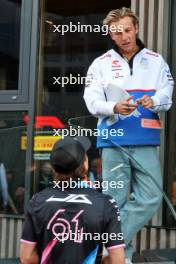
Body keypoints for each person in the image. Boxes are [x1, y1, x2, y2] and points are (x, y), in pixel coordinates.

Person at [83, 7, 174, 263]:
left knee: (152, 196)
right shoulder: (100, 64)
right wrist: (113, 107)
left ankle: (110, 248)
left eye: (127, 30)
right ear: (111, 35)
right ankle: (122, 258)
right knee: (114, 202)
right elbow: (91, 101)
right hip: (113, 141)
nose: (123, 36)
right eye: (116, 32)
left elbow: (167, 97)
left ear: (136, 28)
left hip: (145, 140)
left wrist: (153, 100)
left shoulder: (156, 60)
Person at [20, 136, 125, 264]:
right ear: (85, 164)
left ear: (53, 167)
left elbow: (27, 258)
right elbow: (118, 261)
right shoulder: (106, 204)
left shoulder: (37, 201)